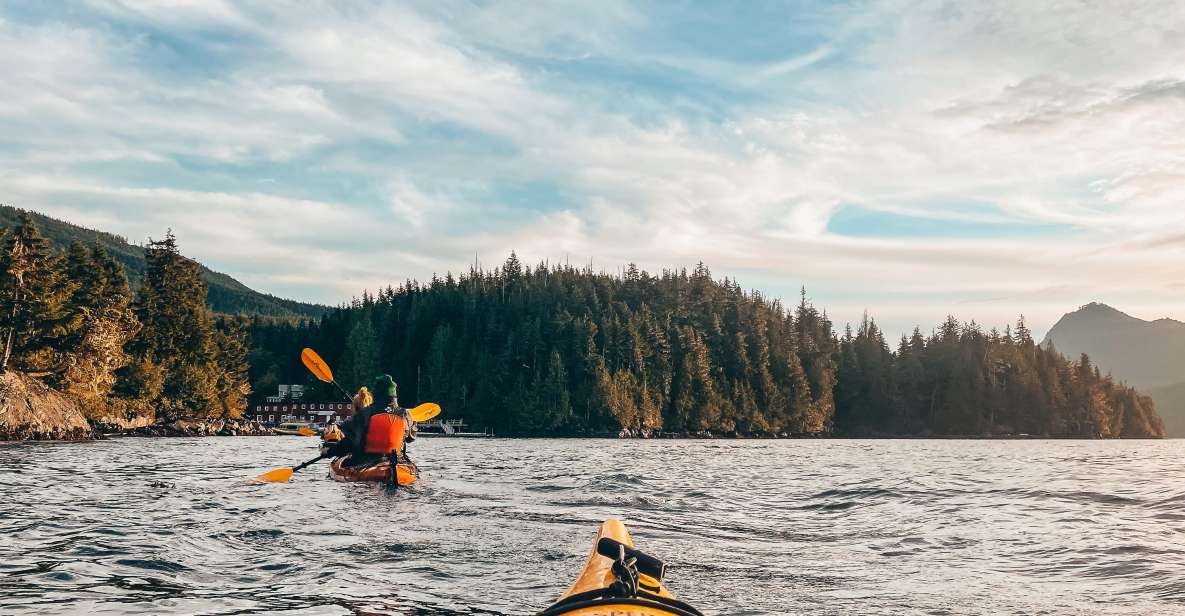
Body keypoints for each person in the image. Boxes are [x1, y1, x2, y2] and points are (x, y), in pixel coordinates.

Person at [325, 374, 416, 468]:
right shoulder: (405, 414)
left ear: (376, 393)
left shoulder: (365, 413)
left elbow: (351, 442)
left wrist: (331, 452)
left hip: (365, 462)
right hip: (396, 460)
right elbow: (410, 438)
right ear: (395, 395)